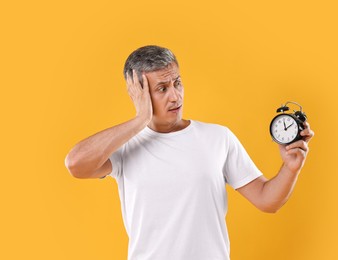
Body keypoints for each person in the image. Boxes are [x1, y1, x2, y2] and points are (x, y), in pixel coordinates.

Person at [64, 45, 314, 260]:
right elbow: (76, 163)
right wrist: (140, 119)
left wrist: (291, 168)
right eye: (161, 89)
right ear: (138, 93)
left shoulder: (218, 137)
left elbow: (267, 200)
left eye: (177, 83)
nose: (175, 96)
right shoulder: (124, 146)